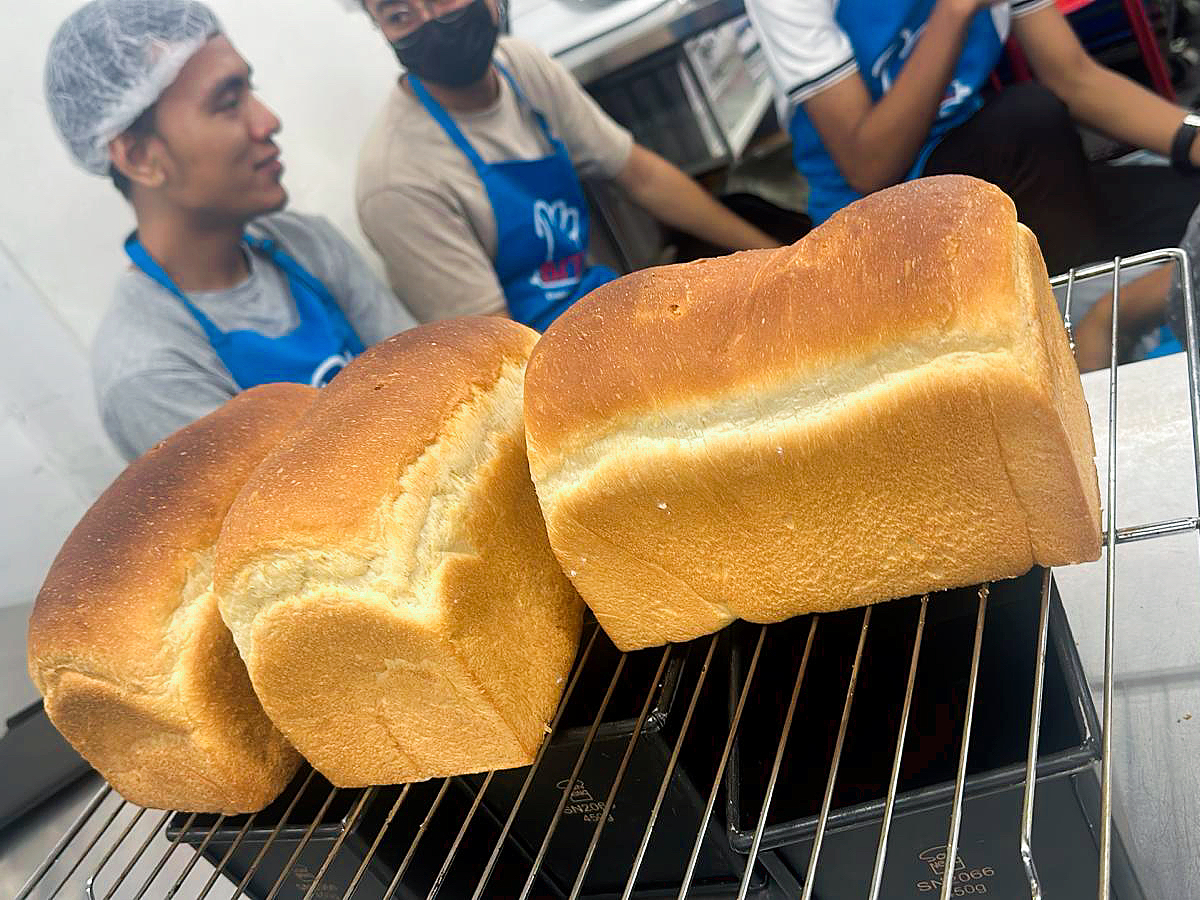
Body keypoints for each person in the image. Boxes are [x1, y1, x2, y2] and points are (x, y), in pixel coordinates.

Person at [45, 0, 417, 461]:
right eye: (227, 103)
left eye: (250, 89)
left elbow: (425, 382)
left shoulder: (305, 244)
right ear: (139, 158)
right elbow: (284, 507)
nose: (268, 121)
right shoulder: (150, 372)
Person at [352, 0, 780, 330]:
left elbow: (641, 174)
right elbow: (496, 352)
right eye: (399, 15)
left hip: (603, 304)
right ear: (379, 29)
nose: (430, 20)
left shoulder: (521, 68)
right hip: (545, 365)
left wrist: (770, 258)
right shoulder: (396, 184)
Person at [743, 0, 1200, 275]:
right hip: (880, 226)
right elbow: (869, 167)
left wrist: (1192, 138)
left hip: (994, 180)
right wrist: (955, 10)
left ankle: (1083, 306)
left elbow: (1075, 77)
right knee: (1027, 118)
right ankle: (1066, 332)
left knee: (1189, 209)